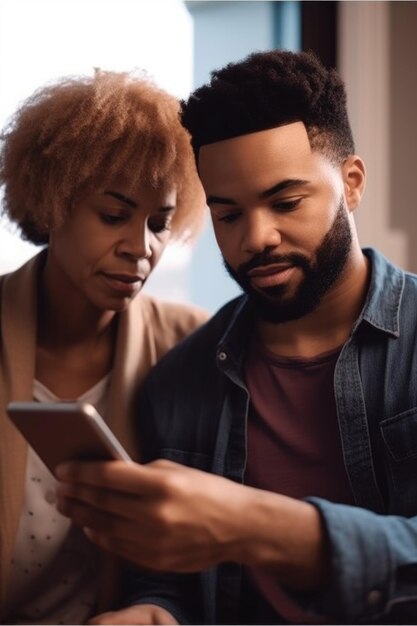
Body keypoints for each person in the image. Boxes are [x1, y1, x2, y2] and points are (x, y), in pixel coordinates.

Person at [54, 50, 417, 625]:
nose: (257, 237)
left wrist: (261, 527)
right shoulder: (180, 380)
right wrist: (153, 613)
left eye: (286, 202)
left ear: (350, 184)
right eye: (227, 215)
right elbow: (169, 584)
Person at [0, 69, 208, 625]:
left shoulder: (193, 346)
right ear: (52, 203)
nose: (141, 248)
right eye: (114, 216)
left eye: (160, 223)